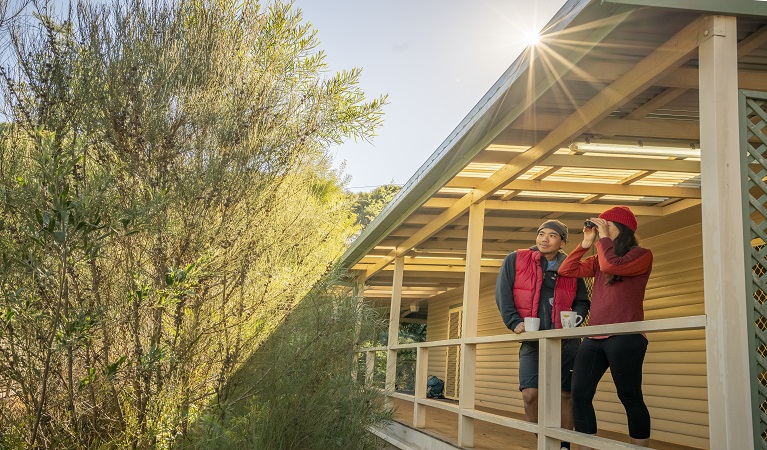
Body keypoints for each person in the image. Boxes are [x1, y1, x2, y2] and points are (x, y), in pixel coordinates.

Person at [557, 206, 653, 448]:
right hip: (594, 336)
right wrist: (586, 242)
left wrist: (604, 240)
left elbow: (612, 266)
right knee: (579, 395)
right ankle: (588, 445)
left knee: (629, 396)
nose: (600, 229)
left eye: (604, 224)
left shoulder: (641, 254)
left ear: (620, 227)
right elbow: (566, 270)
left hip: (626, 336)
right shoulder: (600, 256)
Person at [496, 220, 590, 450]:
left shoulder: (571, 265)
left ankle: (564, 446)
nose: (544, 239)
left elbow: (582, 301)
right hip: (532, 339)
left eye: (552, 235)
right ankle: (545, 443)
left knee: (565, 395)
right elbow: (502, 292)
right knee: (530, 394)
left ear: (562, 242)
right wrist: (513, 321)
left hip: (566, 340)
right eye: (541, 234)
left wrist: (574, 321)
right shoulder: (516, 259)